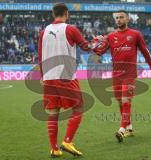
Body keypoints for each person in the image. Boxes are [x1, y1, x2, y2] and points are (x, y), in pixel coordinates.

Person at [38, 3, 92, 157]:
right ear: (66, 13)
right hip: (66, 75)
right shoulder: (70, 29)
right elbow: (86, 47)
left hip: (49, 77)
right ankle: (67, 141)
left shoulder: (44, 32)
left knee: (53, 112)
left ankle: (54, 148)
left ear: (53, 14)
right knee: (79, 107)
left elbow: (40, 55)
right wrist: (97, 41)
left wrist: (43, 75)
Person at [93, 10, 151, 142]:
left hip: (129, 73)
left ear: (127, 19)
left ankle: (121, 129)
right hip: (116, 74)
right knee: (120, 101)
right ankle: (130, 127)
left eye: (121, 17)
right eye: (117, 18)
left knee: (126, 100)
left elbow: (145, 51)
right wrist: (94, 44)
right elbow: (99, 52)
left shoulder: (135, 34)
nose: (119, 20)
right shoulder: (111, 36)